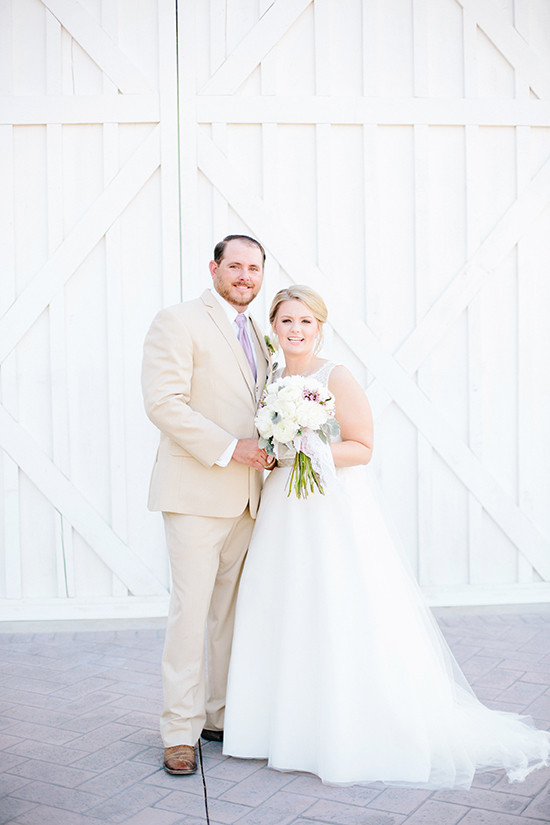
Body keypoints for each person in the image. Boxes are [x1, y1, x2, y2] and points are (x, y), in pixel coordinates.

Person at [223, 284, 550, 788]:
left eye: (305, 322)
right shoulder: (272, 377)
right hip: (282, 506)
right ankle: (278, 730)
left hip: (328, 507)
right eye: (287, 321)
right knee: (283, 605)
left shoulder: (336, 376)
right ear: (274, 326)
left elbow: (364, 446)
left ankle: (341, 729)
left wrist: (311, 446)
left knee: (336, 606)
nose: (295, 330)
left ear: (319, 327)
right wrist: (279, 446)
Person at [141, 235, 273, 776]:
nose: (245, 276)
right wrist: (229, 448)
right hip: (196, 492)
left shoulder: (261, 336)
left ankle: (217, 717)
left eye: (255, 268)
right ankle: (178, 729)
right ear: (214, 268)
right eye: (235, 266)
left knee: (229, 616)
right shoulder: (178, 321)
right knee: (191, 614)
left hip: (248, 499)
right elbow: (163, 403)